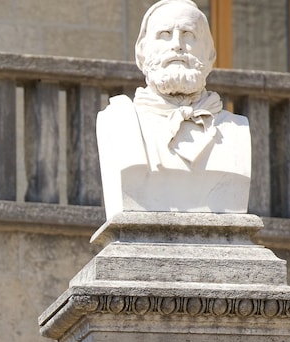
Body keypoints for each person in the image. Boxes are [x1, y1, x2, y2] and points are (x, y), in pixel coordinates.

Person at [97, 0, 251, 219]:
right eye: (165, 34)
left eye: (188, 34)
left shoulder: (236, 129)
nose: (177, 44)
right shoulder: (117, 121)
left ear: (210, 55)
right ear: (141, 53)